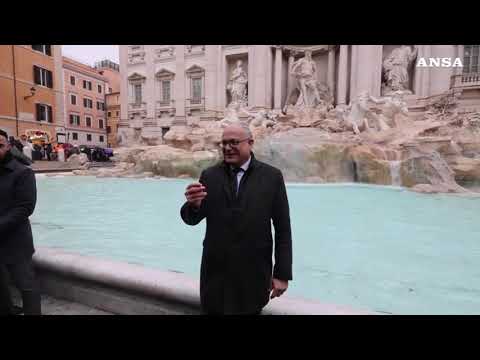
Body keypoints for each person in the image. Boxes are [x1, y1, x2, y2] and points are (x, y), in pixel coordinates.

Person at [180, 122, 292, 315]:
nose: (227, 147)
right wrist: (193, 205)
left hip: (253, 275)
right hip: (215, 276)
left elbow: (283, 228)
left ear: (250, 143)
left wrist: (282, 274)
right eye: (223, 143)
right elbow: (192, 219)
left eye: (233, 142)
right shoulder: (210, 175)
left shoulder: (272, 176)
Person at [0, 130, 41, 315]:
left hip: (16, 240)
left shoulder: (23, 172)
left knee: (27, 286)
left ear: (8, 146)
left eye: (0, 145)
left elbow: (25, 208)